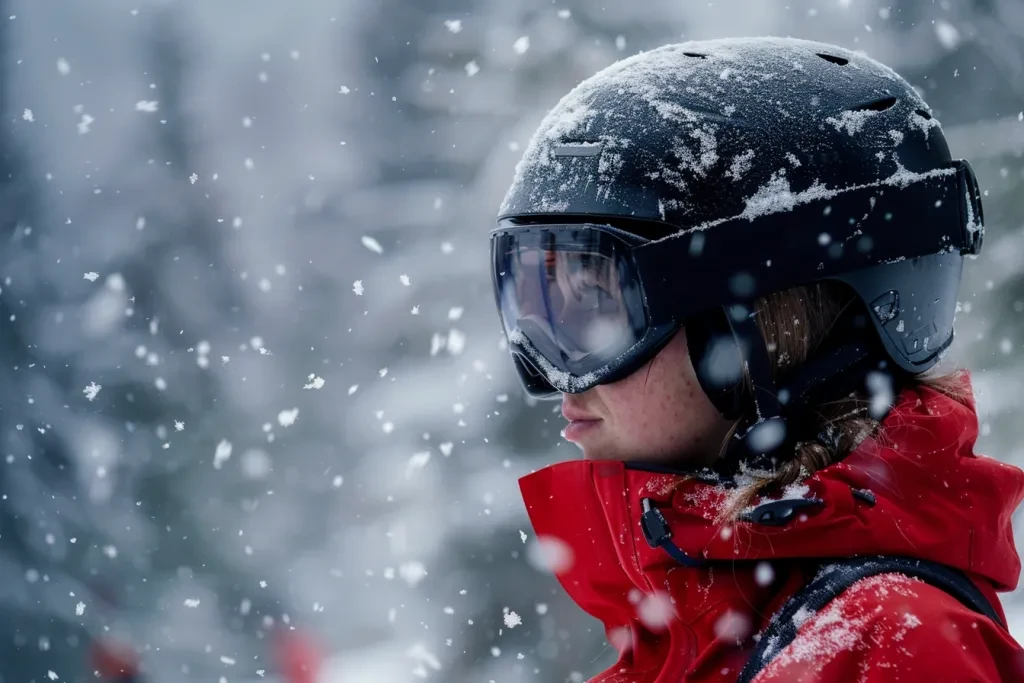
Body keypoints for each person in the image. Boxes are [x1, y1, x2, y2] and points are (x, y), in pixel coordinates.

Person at [491, 37, 1024, 681]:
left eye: (597, 309)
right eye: (538, 305)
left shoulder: (885, 649)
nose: (553, 371)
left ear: (769, 329)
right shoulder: (695, 631)